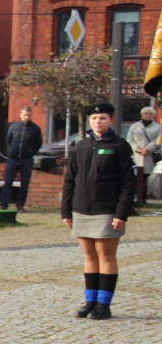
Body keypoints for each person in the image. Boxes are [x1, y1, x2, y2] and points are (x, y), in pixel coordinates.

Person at [61, 102, 136, 320]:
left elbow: (128, 183)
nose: (97, 121)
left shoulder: (120, 146)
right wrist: (65, 210)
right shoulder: (81, 145)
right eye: (94, 119)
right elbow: (69, 179)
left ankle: (104, 305)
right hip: (82, 208)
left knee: (106, 255)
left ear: (111, 120)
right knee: (89, 256)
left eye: (102, 118)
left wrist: (122, 212)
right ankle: (90, 301)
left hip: (107, 210)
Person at [1, 106, 43, 212]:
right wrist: (12, 152)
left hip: (26, 159)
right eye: (25, 115)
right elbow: (8, 140)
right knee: (8, 182)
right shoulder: (13, 127)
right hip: (13, 159)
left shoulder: (35, 129)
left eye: (29, 115)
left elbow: (38, 144)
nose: (27, 117)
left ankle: (20, 205)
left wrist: (30, 152)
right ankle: (3, 204)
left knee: (25, 183)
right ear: (20, 115)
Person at [125, 106, 160, 204]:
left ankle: (144, 197)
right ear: (142, 115)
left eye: (150, 114)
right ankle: (137, 197)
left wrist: (148, 148)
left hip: (149, 155)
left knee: (147, 177)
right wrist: (136, 149)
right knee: (137, 176)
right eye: (146, 114)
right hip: (137, 155)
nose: (148, 115)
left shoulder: (158, 127)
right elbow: (129, 139)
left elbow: (158, 140)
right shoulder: (135, 126)